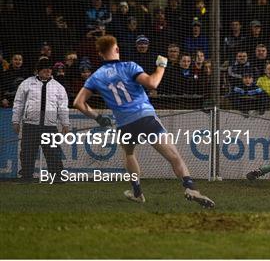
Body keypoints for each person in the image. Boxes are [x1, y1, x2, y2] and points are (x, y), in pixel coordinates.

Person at [73, 35, 214, 208]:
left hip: (124, 124)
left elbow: (78, 103)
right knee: (174, 157)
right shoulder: (129, 66)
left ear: (101, 54)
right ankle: (190, 187)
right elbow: (152, 83)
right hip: (144, 117)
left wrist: (98, 117)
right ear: (117, 49)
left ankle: (137, 192)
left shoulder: (96, 77)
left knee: (129, 154)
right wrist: (162, 66)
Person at [12, 58, 69, 181]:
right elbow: (19, 103)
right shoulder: (26, 84)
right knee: (27, 152)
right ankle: (26, 176)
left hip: (50, 125)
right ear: (38, 70)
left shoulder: (58, 87)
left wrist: (65, 123)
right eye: (45, 69)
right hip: (30, 124)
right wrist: (15, 121)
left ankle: (57, 176)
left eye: (49, 69)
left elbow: (63, 107)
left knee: (53, 152)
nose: (48, 71)